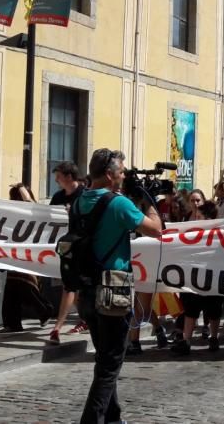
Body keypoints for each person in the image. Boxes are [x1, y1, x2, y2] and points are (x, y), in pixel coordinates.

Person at [74, 148, 161, 423]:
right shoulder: (119, 204)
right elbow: (156, 229)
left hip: (86, 288)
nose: (124, 176)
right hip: (113, 287)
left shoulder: (79, 201)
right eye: (122, 172)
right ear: (110, 174)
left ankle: (113, 417)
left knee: (104, 357)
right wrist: (149, 200)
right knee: (110, 364)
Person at [172, 201, 223, 355]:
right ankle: (186, 340)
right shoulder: (192, 231)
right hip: (194, 275)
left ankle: (214, 338)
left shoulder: (221, 233)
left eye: (199, 216)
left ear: (208, 218)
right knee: (191, 309)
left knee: (213, 309)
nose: (196, 218)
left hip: (211, 276)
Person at [2, 184, 53, 332]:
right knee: (11, 286)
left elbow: (39, 214)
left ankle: (45, 310)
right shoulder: (12, 212)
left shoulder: (34, 211)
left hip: (30, 253)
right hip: (13, 252)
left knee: (26, 284)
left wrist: (26, 196)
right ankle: (12, 323)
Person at [48, 162, 88, 344]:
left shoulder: (85, 195)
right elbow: (45, 219)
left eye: (59, 176)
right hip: (66, 247)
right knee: (70, 285)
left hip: (85, 247)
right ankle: (59, 327)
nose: (56, 180)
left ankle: (80, 321)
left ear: (69, 177)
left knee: (78, 287)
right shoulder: (57, 197)